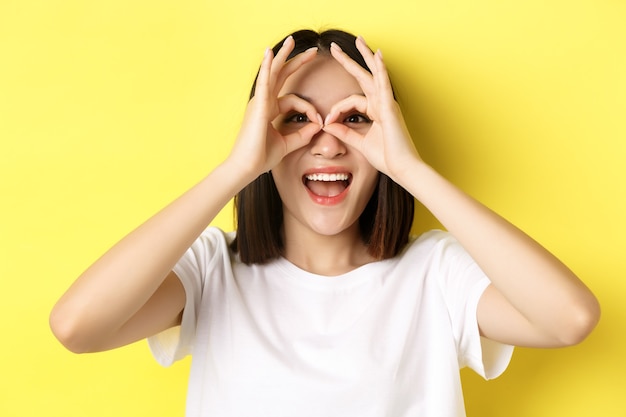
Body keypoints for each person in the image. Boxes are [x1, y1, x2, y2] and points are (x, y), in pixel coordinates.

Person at [50, 29, 600, 416]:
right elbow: (77, 327)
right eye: (295, 119)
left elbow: (569, 318)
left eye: (355, 117)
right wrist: (236, 170)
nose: (327, 141)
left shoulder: (435, 273)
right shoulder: (212, 269)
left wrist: (409, 168)